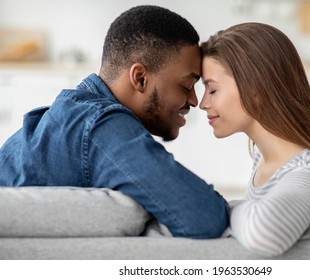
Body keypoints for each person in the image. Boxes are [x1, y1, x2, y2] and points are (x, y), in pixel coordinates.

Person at [0, 5, 229, 239]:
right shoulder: (102, 126)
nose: (194, 100)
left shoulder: (74, 113)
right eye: (186, 86)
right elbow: (206, 217)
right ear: (140, 78)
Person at [199, 22, 310, 256]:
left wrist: (222, 210)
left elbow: (263, 235)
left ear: (255, 89)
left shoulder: (309, 172)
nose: (203, 103)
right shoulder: (263, 159)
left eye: (212, 90)